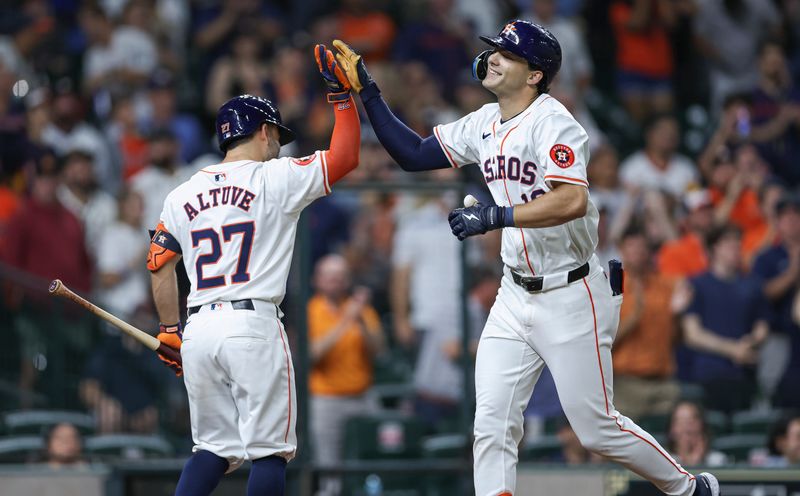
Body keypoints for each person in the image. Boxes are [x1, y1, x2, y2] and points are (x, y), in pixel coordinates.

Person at [331, 19, 720, 496]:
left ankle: (689, 489)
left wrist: (496, 216)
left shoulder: (553, 122)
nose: (493, 58)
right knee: (491, 423)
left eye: (507, 54)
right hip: (514, 293)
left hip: (573, 292)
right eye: (494, 50)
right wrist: (368, 91)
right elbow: (412, 154)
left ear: (535, 74)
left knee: (597, 429)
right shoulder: (483, 121)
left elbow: (571, 200)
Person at [146, 45, 360, 496]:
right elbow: (344, 158)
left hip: (200, 328)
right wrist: (341, 98)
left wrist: (170, 330)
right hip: (251, 323)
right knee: (269, 452)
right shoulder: (275, 177)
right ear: (263, 132)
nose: (279, 141)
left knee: (213, 450)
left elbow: (160, 265)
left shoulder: (182, 192)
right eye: (276, 134)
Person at [307, 254, 384, 495]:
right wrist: (345, 320)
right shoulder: (311, 310)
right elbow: (312, 354)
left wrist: (360, 320)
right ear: (317, 280)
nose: (335, 283)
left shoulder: (361, 310)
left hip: (363, 396)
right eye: (329, 277)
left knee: (380, 456)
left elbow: (380, 351)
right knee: (331, 476)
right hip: (327, 399)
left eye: (340, 278)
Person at [681, 225, 769, 413]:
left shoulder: (753, 284)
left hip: (746, 371)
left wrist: (751, 341)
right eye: (728, 242)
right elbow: (692, 334)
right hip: (709, 373)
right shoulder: (697, 284)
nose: (735, 247)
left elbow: (762, 326)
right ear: (714, 248)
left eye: (738, 242)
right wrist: (732, 349)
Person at [666, 401, 728, 468]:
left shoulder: (718, 461)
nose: (686, 427)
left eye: (691, 421)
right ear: (671, 431)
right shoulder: (665, 461)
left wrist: (696, 460)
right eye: (680, 422)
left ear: (702, 427)